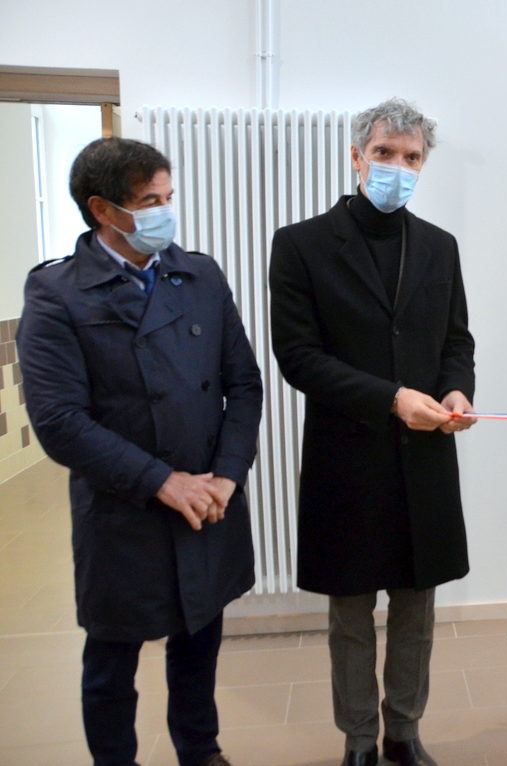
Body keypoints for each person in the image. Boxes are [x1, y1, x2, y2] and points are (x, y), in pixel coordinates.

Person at [17, 137, 263, 766]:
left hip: (208, 497)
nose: (164, 212)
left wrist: (227, 478)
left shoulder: (200, 273)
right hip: (123, 508)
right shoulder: (57, 294)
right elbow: (58, 421)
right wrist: (165, 482)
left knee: (200, 638)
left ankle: (200, 750)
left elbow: (244, 383)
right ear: (103, 210)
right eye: (148, 202)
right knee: (110, 661)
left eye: (168, 198)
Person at [268, 98, 475, 766]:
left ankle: (404, 731)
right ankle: (358, 739)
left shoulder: (440, 247)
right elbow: (299, 357)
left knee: (416, 612)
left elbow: (456, 340)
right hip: (346, 458)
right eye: (385, 153)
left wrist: (455, 389)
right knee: (351, 615)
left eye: (412, 158)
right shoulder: (299, 244)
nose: (398, 167)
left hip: (425, 458)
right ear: (357, 156)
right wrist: (391, 399)